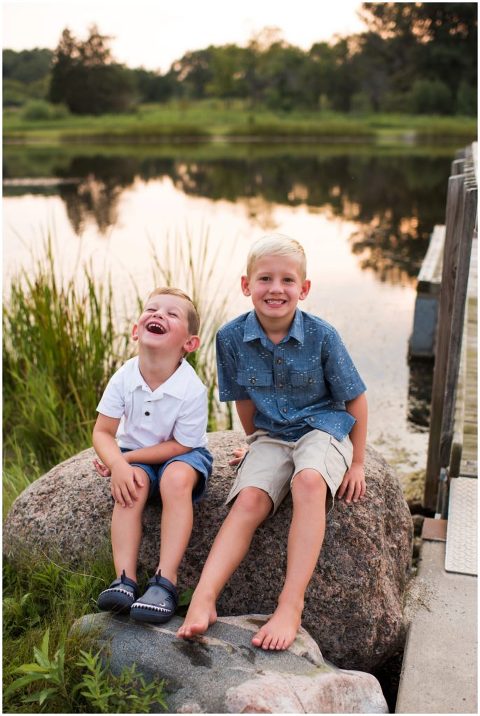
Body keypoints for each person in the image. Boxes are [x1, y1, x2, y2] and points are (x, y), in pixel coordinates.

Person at [177, 233, 367, 650]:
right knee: (249, 500)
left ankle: (289, 604)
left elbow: (355, 397)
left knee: (309, 482)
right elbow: (242, 399)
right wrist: (255, 441)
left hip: (324, 428)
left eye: (287, 280)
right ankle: (204, 598)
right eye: (265, 279)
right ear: (246, 285)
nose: (276, 289)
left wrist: (357, 463)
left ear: (304, 288)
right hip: (272, 436)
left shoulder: (323, 335)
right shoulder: (229, 338)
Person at [93, 287, 213, 624]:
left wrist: (124, 460)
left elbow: (182, 445)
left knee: (175, 480)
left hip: (184, 453)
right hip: (136, 455)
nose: (158, 315)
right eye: (152, 309)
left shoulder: (191, 388)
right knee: (131, 487)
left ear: (189, 344)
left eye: (172, 314)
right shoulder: (124, 377)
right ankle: (125, 579)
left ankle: (166, 581)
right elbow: (102, 431)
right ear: (136, 330)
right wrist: (119, 464)